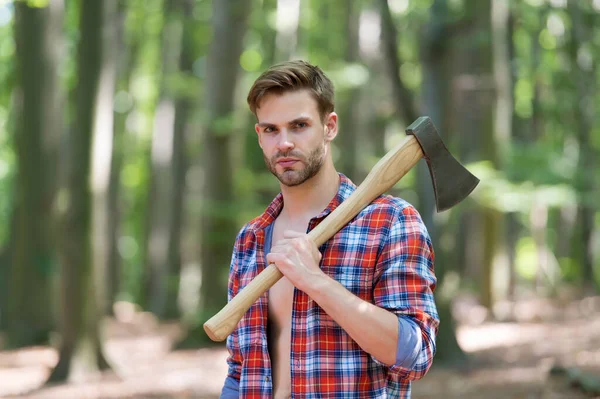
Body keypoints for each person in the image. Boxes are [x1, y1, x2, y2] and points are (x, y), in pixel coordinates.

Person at [219, 60, 439, 398]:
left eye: (300, 125)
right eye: (271, 129)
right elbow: (241, 369)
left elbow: (416, 354)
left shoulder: (390, 222)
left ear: (329, 126)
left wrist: (316, 282)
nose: (284, 143)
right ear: (259, 136)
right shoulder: (250, 239)